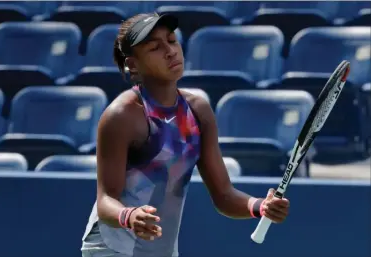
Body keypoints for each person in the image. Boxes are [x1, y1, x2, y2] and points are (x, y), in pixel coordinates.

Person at [81, 12, 290, 257]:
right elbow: (106, 200)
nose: (170, 51)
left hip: (161, 250)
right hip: (111, 248)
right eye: (155, 48)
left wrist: (259, 206)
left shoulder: (198, 111)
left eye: (171, 40)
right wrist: (130, 215)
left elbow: (224, 195)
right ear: (133, 64)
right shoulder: (121, 116)